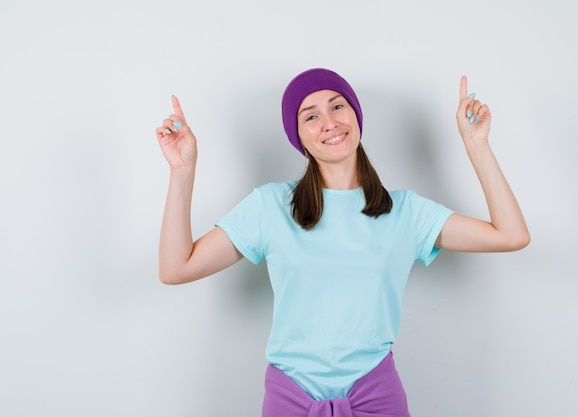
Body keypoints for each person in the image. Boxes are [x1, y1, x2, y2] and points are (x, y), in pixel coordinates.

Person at [155, 68, 530, 416]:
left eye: (337, 106)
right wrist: (182, 171)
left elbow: (511, 236)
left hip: (377, 398)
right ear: (297, 136)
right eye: (311, 115)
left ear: (356, 117)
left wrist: (477, 145)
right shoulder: (269, 207)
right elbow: (177, 268)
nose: (329, 121)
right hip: (290, 399)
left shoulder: (407, 213)